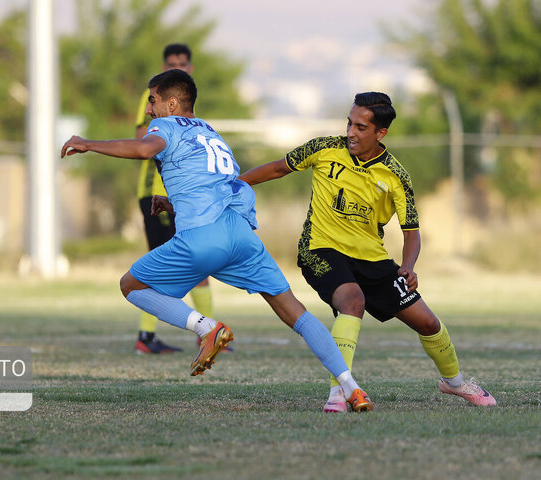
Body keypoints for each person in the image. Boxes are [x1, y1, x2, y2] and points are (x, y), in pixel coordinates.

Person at [62, 69, 373, 411]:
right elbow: (217, 182)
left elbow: (143, 149)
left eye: (152, 101)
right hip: (241, 234)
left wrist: (89, 144)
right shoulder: (210, 132)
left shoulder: (164, 126)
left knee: (131, 285)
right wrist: (173, 202)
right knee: (295, 313)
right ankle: (351, 387)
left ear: (172, 102)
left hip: (203, 236)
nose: (149, 110)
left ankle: (205, 327)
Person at [239, 91, 495, 411]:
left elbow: (412, 231)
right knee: (352, 300)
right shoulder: (324, 148)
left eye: (361, 127)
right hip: (320, 249)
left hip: (372, 257)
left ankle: (454, 383)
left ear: (380, 133)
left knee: (428, 323)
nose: (350, 132)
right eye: (349, 123)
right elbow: (278, 168)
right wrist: (232, 185)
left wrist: (409, 265)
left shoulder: (396, 174)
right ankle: (339, 392)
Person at [132, 43, 215, 354]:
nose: (176, 68)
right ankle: (148, 335)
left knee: (199, 264)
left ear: (190, 68)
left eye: (181, 64)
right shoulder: (155, 97)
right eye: (170, 64)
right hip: (158, 193)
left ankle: (206, 332)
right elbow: (143, 140)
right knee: (161, 264)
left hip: (185, 197)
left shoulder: (186, 105)